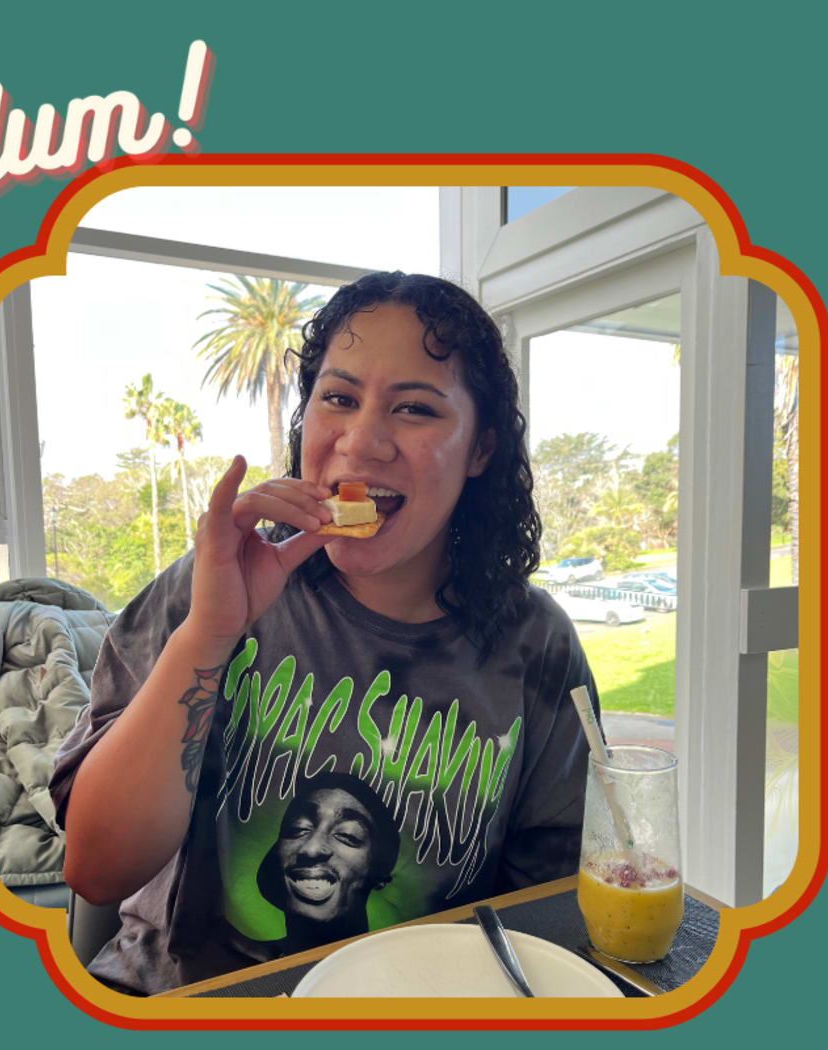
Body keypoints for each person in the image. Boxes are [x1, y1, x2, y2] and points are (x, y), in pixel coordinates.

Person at [50, 271, 601, 996]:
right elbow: (95, 867)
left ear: (480, 450)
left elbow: (548, 908)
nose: (363, 441)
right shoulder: (210, 588)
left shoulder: (536, 645)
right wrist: (208, 638)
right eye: (338, 398)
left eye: (415, 408)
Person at [255, 772, 400, 955]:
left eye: (348, 835)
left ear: (381, 873)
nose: (312, 848)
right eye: (298, 828)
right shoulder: (238, 962)